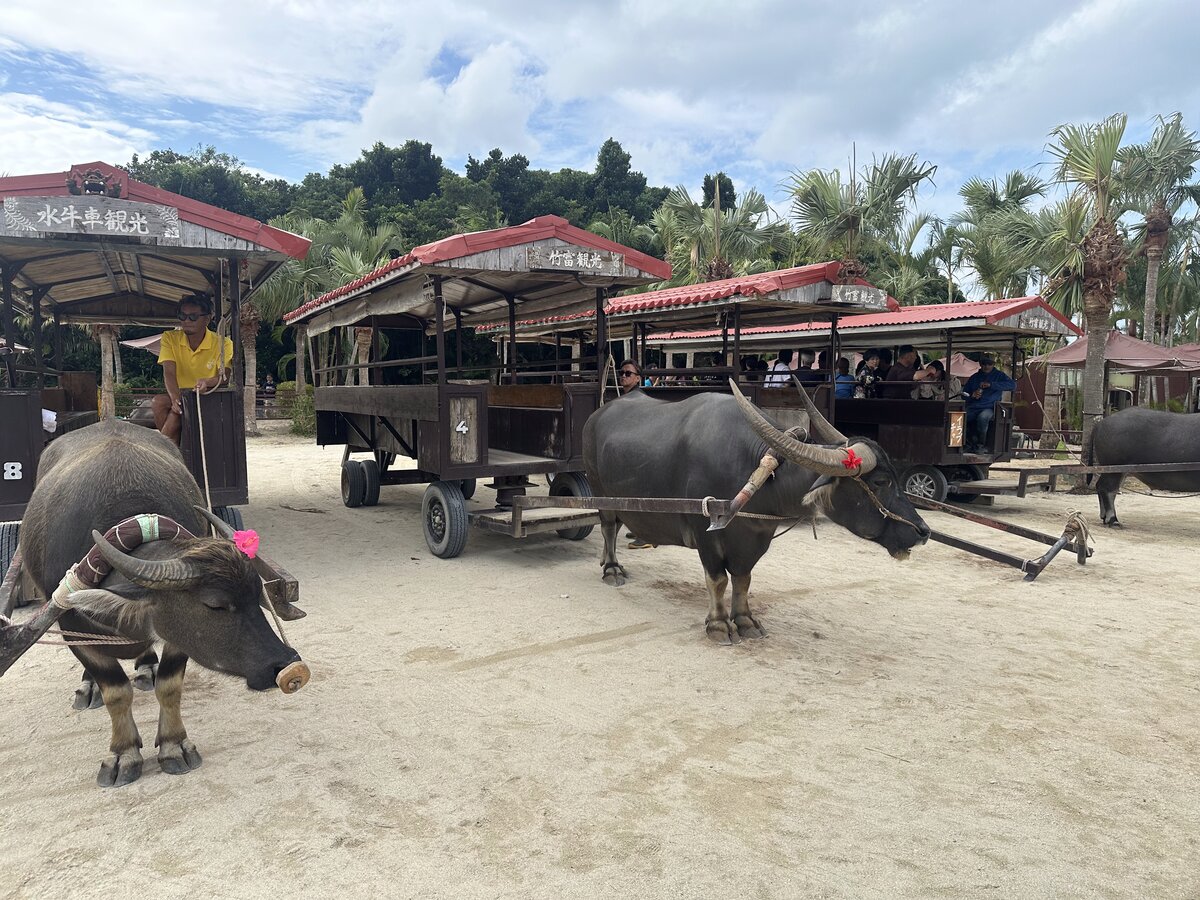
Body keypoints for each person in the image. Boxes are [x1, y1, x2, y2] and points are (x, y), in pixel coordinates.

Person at [152, 294, 232, 445]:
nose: (186, 321)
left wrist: (207, 382)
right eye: (183, 316)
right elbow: (169, 372)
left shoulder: (224, 343)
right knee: (158, 403)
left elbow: (225, 376)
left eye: (193, 317)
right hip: (182, 394)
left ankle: (165, 449)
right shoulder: (169, 337)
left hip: (209, 396)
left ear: (207, 319)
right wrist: (176, 399)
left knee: (176, 413)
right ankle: (174, 448)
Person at [962, 355, 1018, 453]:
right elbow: (964, 394)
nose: (986, 366)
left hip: (990, 407)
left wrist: (992, 385)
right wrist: (972, 395)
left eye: (989, 364)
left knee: (983, 418)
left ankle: (981, 445)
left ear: (993, 364)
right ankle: (967, 444)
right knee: (960, 418)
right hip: (974, 407)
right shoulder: (974, 377)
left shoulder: (999, 375)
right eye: (984, 364)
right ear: (980, 364)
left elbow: (1012, 385)